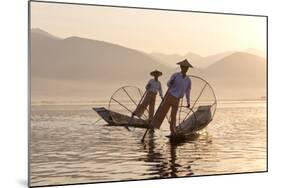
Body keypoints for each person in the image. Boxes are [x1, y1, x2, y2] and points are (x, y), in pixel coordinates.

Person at [150, 59, 193, 135]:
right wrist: (171, 82)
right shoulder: (175, 75)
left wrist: (188, 102)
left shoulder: (188, 80)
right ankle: (153, 126)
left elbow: (188, 92)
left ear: (188, 69)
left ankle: (173, 131)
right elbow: (168, 85)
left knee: (173, 116)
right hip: (169, 96)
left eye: (186, 68)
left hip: (177, 99)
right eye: (183, 67)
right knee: (162, 112)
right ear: (181, 67)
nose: (185, 69)